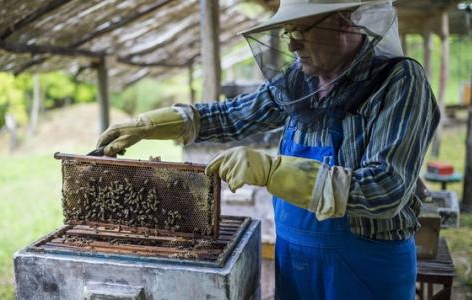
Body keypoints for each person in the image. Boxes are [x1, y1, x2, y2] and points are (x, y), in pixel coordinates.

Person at [96, 0, 440, 299]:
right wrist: (151, 125)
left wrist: (273, 171)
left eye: (302, 29)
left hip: (365, 270)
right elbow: (233, 115)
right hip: (295, 261)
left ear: (343, 21)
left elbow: (386, 189)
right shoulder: (300, 79)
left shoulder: (399, 81)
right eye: (289, 31)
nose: (293, 44)